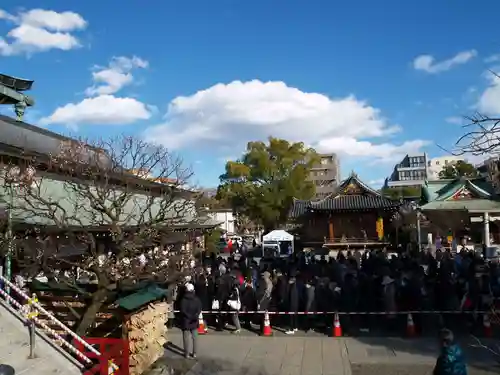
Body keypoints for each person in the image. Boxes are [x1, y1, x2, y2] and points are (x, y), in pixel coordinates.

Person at [179, 283, 202, 359]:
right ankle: (194, 353)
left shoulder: (183, 300)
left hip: (186, 320)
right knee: (195, 338)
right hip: (194, 320)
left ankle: (187, 354)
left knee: (186, 338)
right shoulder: (197, 299)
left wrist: (188, 316)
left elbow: (183, 310)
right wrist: (195, 316)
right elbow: (199, 309)